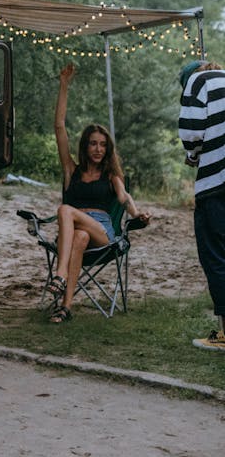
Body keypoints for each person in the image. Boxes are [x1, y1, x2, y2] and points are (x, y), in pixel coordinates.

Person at [48, 63, 150, 324]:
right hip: (76, 235)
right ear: (85, 146)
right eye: (93, 143)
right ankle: (66, 306)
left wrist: (137, 215)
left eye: (103, 145)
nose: (98, 149)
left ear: (107, 149)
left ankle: (59, 275)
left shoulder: (111, 176)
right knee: (79, 238)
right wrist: (64, 86)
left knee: (64, 210)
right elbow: (59, 127)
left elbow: (124, 198)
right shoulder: (72, 170)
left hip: (103, 233)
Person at [178, 59, 225, 352]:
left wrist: (193, 155)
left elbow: (191, 132)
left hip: (217, 185)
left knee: (217, 259)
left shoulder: (197, 83)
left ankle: (224, 336)